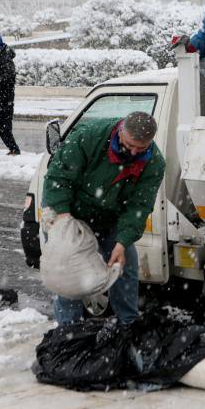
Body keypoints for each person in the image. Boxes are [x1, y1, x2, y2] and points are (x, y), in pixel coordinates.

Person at [41, 111, 166, 326]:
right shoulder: (89, 137)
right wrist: (63, 220)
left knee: (125, 267)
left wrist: (122, 242)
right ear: (120, 131)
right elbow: (58, 177)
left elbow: (139, 206)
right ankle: (69, 333)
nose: (134, 152)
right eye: (129, 144)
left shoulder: (153, 162)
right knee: (70, 276)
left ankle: (128, 327)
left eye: (141, 148)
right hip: (70, 213)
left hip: (110, 218)